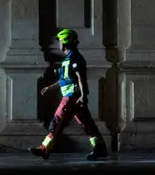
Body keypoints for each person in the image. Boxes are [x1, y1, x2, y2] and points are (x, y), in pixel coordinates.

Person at [30, 28, 108, 161]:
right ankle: (99, 147)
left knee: (57, 120)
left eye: (60, 41)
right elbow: (64, 80)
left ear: (66, 42)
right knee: (86, 122)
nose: (59, 43)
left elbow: (80, 77)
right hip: (73, 96)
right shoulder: (68, 58)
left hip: (72, 96)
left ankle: (44, 149)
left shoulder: (75, 57)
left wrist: (83, 95)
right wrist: (49, 88)